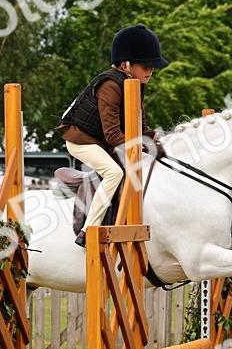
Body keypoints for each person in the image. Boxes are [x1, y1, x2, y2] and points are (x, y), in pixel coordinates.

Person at [59, 24, 168, 246]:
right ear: (126, 64)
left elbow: (140, 126)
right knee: (113, 173)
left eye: (152, 66)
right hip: (82, 141)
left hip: (102, 142)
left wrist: (155, 137)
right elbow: (112, 135)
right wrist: (145, 142)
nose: (151, 71)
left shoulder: (135, 84)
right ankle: (89, 229)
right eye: (145, 65)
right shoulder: (110, 85)